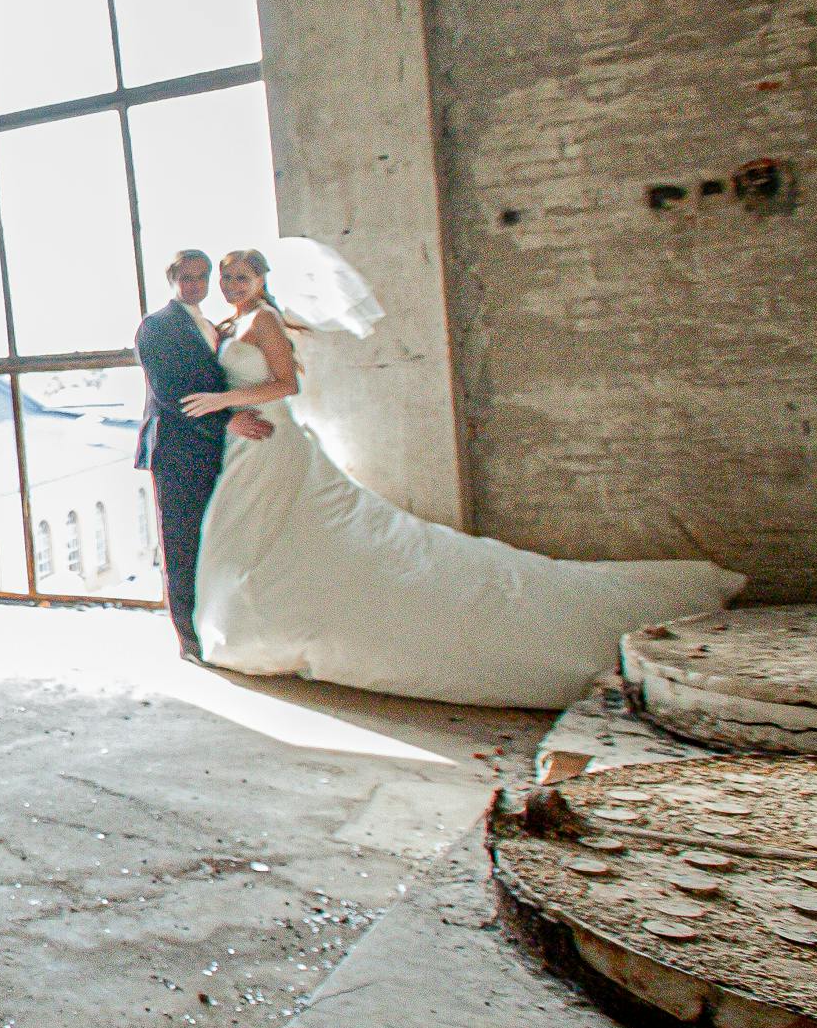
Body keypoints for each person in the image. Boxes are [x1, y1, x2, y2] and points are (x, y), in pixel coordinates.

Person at [182, 246, 740, 707]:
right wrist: (231, 411)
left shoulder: (265, 320)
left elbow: (286, 385)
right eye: (227, 277)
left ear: (260, 279)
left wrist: (222, 399)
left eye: (241, 275)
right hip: (246, 443)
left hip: (273, 442)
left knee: (317, 543)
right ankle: (254, 627)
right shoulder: (235, 322)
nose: (232, 284)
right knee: (248, 542)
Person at [133, 248, 271, 658]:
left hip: (215, 449)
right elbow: (169, 394)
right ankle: (188, 639)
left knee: (216, 539)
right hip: (176, 450)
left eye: (201, 278)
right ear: (172, 278)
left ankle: (219, 625)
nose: (195, 285)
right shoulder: (155, 327)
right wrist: (227, 421)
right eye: (187, 277)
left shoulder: (212, 326)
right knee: (182, 542)